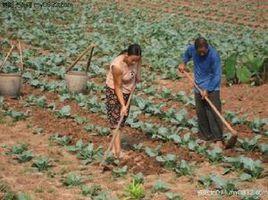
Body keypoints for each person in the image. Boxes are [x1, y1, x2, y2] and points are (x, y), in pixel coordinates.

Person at [178, 37, 224, 148]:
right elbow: (187, 54)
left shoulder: (214, 55)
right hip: (198, 86)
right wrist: (183, 63)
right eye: (200, 52)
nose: (202, 54)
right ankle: (205, 137)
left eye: (204, 51)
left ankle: (218, 139)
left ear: (208, 47)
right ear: (196, 48)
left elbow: (217, 75)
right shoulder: (192, 49)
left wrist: (208, 89)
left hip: (212, 86)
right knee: (201, 112)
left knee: (213, 112)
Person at [105, 44, 142, 157]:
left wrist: (138, 76)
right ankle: (117, 151)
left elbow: (139, 63)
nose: (134, 63)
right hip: (114, 91)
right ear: (126, 55)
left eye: (136, 60)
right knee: (116, 120)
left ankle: (115, 149)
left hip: (127, 90)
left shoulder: (137, 59)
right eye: (132, 60)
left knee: (122, 119)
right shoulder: (117, 66)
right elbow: (118, 87)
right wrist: (123, 105)